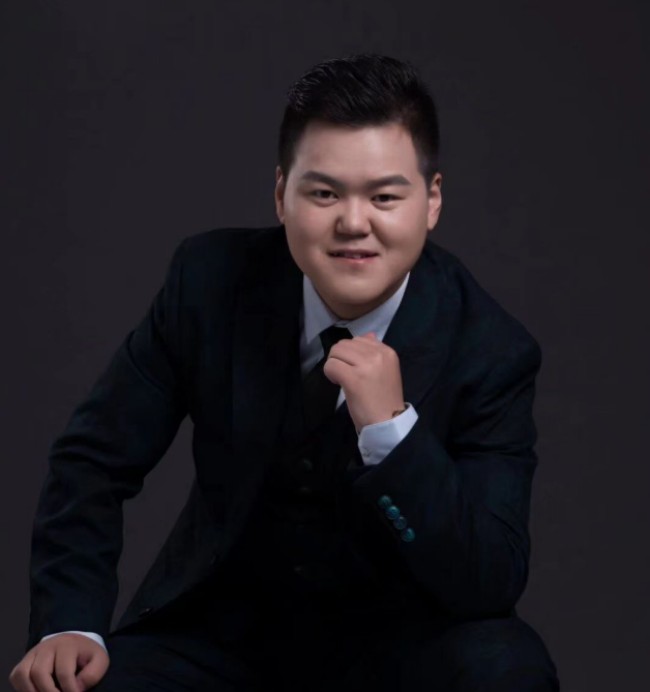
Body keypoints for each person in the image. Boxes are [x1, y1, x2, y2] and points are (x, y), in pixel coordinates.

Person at [9, 53, 560, 691]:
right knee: (71, 685)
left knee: (506, 669)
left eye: (385, 197)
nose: (354, 223)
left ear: (431, 201)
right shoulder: (209, 283)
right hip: (218, 646)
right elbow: (93, 461)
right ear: (280, 195)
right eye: (324, 193)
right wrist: (68, 625)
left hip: (398, 656)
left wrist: (392, 433)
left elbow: (489, 578)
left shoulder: (490, 349)